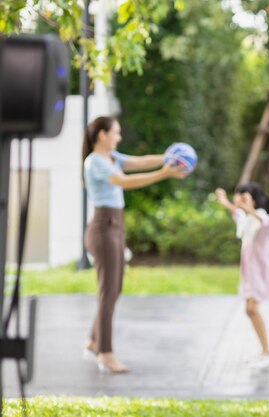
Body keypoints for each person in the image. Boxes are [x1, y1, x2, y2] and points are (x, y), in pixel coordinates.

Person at [82, 116, 187, 373]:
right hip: (103, 227)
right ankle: (105, 353)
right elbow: (125, 182)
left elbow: (138, 162)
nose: (119, 136)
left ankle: (93, 341)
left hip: (115, 225)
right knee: (108, 291)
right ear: (102, 135)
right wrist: (164, 174)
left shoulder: (112, 157)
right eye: (115, 133)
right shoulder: (95, 162)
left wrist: (166, 158)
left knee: (114, 288)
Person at [215, 183, 269, 368]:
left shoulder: (261, 219)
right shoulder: (246, 219)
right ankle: (264, 351)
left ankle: (266, 352)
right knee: (249, 310)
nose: (238, 200)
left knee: (252, 309)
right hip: (250, 272)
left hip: (263, 271)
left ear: (252, 199)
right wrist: (223, 200)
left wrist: (250, 210)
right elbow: (235, 212)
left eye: (242, 196)